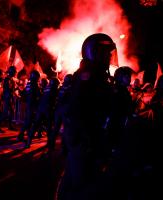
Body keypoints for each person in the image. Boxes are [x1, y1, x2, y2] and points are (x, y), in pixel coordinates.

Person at [58, 33, 115, 200]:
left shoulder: (96, 75)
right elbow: (76, 111)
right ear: (94, 52)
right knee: (80, 183)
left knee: (83, 180)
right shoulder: (87, 76)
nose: (110, 56)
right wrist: (85, 140)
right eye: (106, 52)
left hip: (90, 137)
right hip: (85, 139)